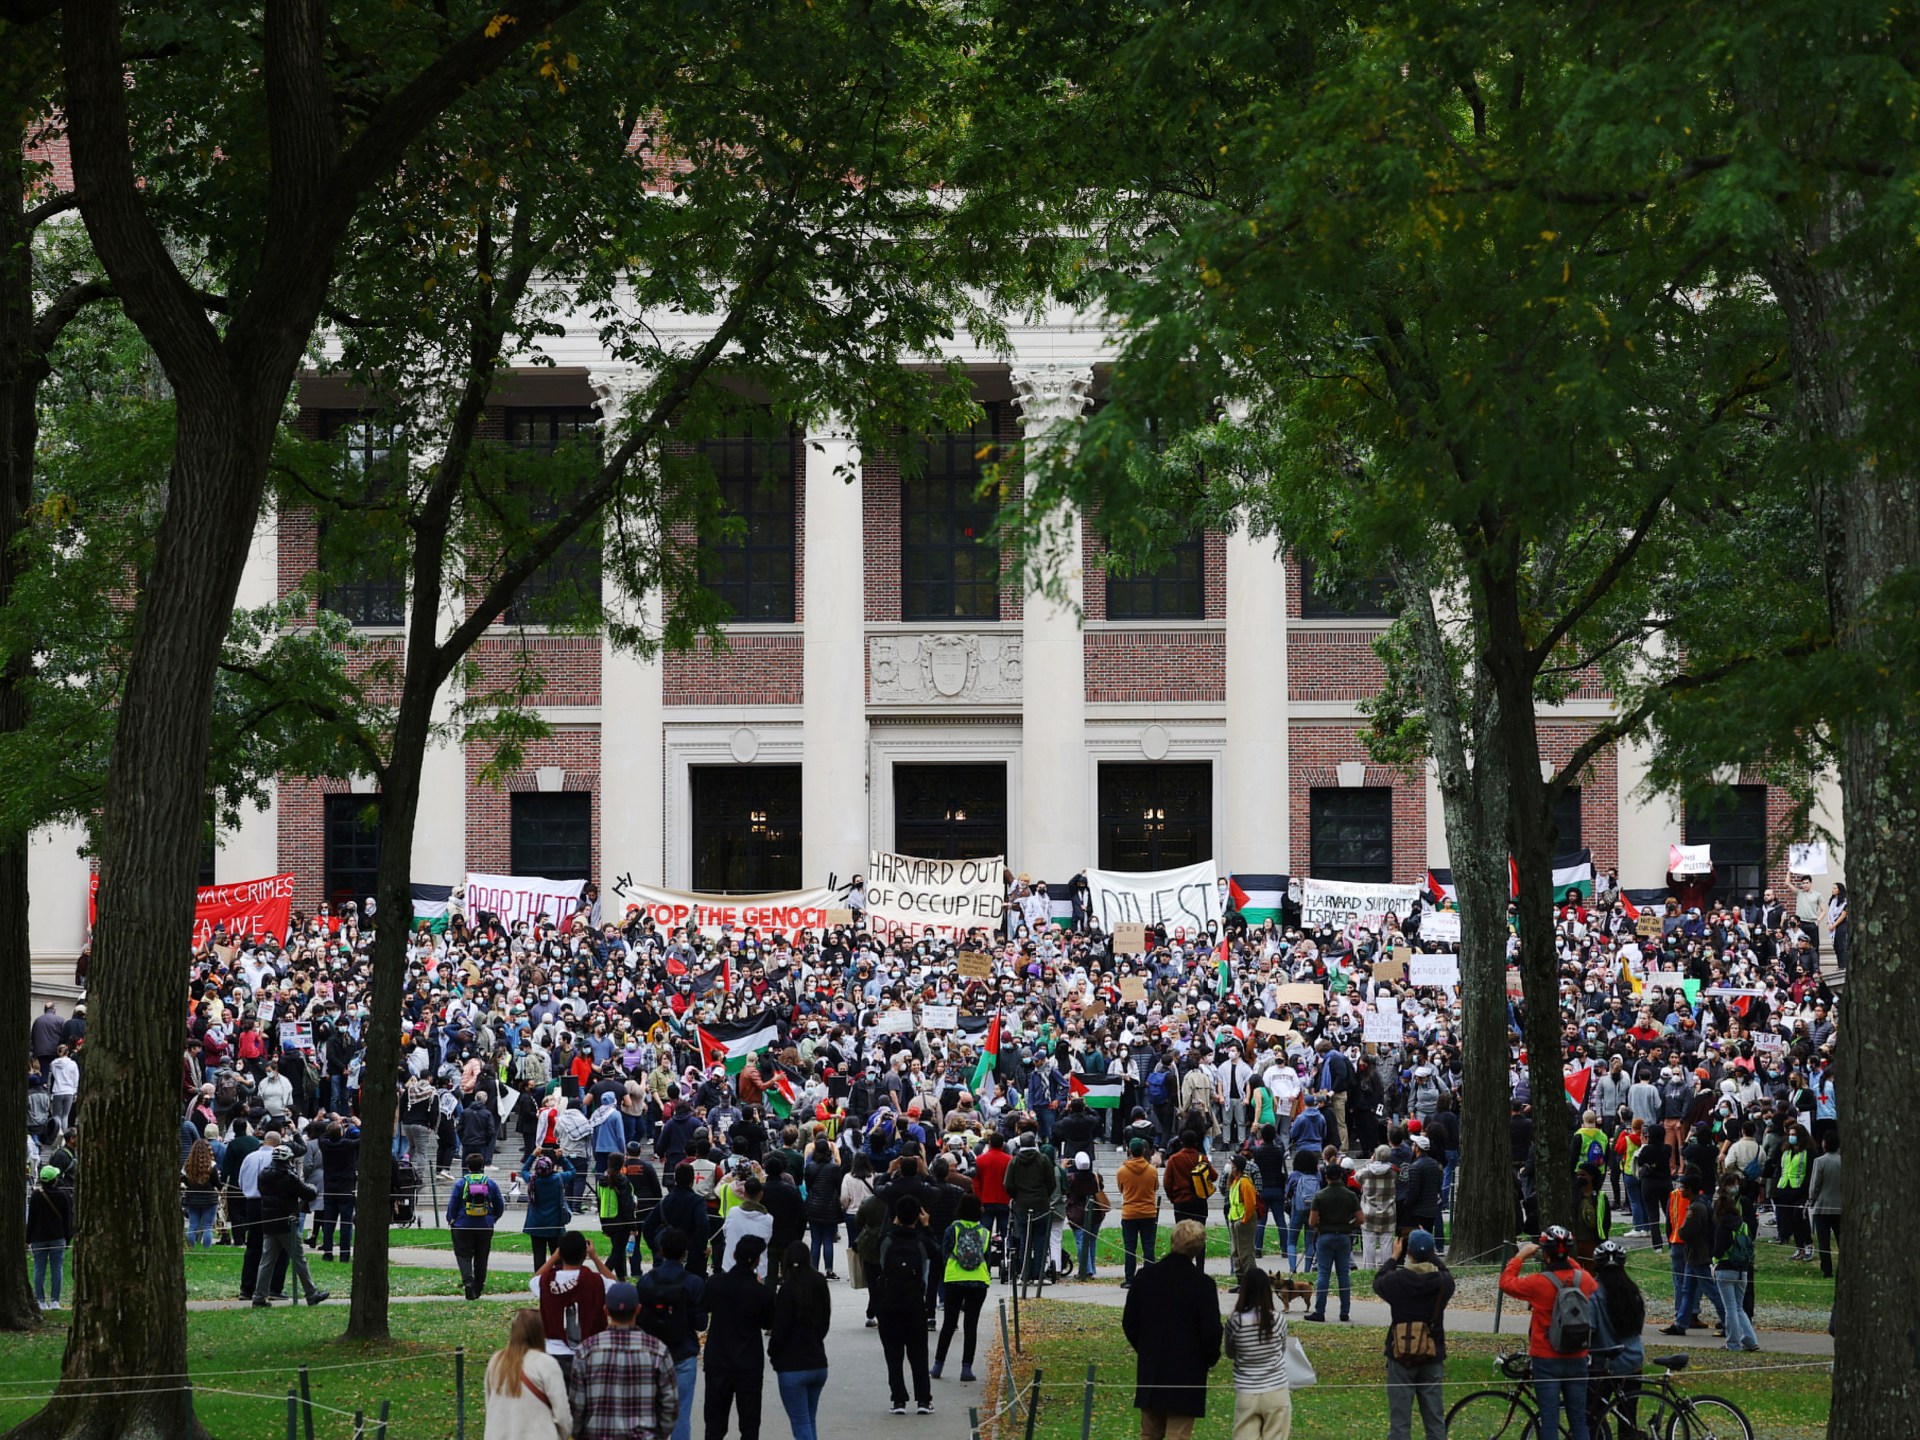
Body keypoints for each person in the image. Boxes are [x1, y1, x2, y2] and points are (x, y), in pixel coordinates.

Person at [1120, 1219, 1222, 1440]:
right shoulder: (1202, 1284)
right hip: (1187, 1372)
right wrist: (1207, 1359)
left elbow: (1130, 1322)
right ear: (1198, 1249)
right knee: (1178, 1435)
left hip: (1152, 1368)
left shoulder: (1145, 1277)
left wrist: (1145, 1348)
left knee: (1149, 1433)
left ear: (1172, 1241)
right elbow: (1212, 1331)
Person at [1498, 1227, 1599, 1440]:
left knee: (1549, 1420)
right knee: (1578, 1420)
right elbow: (1585, 1278)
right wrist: (1565, 1257)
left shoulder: (1538, 1282)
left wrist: (1520, 1257)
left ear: (1545, 1253)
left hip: (1546, 1357)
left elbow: (1506, 1283)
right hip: (1577, 1356)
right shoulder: (1584, 1280)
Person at [569, 1281, 682, 1440]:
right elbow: (670, 1403)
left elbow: (577, 1405)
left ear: (606, 1310)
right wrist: (660, 1433)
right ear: (638, 1309)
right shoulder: (657, 1351)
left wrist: (577, 1432)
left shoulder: (586, 1351)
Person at [1373, 1230, 1453, 1440]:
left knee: (1399, 1424)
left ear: (1408, 1252)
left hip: (1400, 1353)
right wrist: (1432, 1255)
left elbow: (1378, 1281)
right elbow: (1447, 1273)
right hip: (1432, 1352)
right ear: (1431, 1254)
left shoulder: (1396, 1280)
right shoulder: (1442, 1283)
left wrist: (1393, 1257)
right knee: (1435, 1420)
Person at [635, 1226, 709, 1440]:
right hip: (683, 1352)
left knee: (649, 1413)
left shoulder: (646, 1281)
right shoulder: (694, 1283)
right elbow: (701, 1323)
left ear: (660, 1251)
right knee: (681, 1414)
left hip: (651, 1354)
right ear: (684, 1252)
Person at [703, 1233, 773, 1440]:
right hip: (748, 1362)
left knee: (714, 1425)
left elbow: (703, 1307)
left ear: (734, 1255)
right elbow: (769, 1322)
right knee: (749, 1425)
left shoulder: (715, 1284)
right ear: (757, 1261)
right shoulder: (761, 1293)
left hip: (718, 1360)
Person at [874, 1195, 936, 1415]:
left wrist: (893, 1224)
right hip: (915, 1303)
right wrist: (926, 1227)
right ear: (918, 1217)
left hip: (889, 1303)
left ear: (897, 1217)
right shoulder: (921, 1242)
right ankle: (923, 1400)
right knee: (918, 1354)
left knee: (893, 1355)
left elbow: (878, 1255)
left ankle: (898, 1400)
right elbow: (936, 1254)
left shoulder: (887, 1241)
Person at [769, 1241, 831, 1440]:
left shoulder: (787, 1290)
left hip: (792, 1365)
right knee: (809, 1419)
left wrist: (773, 1353)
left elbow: (780, 1329)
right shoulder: (819, 1283)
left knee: (801, 1422)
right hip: (817, 1361)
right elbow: (825, 1321)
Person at [254, 1145, 329, 1308]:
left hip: (269, 1221)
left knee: (266, 1261)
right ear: (287, 1159)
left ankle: (259, 1296)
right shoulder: (288, 1177)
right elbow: (308, 1193)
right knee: (299, 1259)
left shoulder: (263, 1175)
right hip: (287, 1222)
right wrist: (313, 1187)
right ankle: (311, 1294)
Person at [532, 1230, 613, 1381]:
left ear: (561, 1254)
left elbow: (534, 1280)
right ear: (584, 1254)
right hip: (589, 1352)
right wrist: (595, 1257)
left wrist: (554, 1257)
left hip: (554, 1352)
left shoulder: (546, 1281)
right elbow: (615, 1284)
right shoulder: (595, 1281)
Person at [484, 1308, 574, 1440]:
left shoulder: (496, 1361)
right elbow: (562, 1414)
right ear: (540, 1332)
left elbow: (490, 1404)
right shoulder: (546, 1363)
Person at [1224, 1265, 1291, 1439]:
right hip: (1276, 1390)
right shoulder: (1277, 1319)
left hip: (1247, 1391)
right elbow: (1282, 1349)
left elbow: (1230, 1352)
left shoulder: (1235, 1321)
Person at [1588, 1241, 1645, 1439]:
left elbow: (1590, 1329)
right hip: (1633, 1360)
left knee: (1592, 1416)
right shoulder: (1632, 1291)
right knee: (1628, 1418)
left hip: (1605, 1363)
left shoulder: (1594, 1294)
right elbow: (1639, 1325)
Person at [932, 1193, 991, 1381]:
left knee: (949, 1323)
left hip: (954, 1279)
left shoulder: (953, 1229)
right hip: (978, 1280)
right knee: (971, 1325)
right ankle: (966, 1368)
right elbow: (986, 1258)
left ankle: (938, 1365)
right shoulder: (984, 1232)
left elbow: (945, 1253)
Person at [1710, 1178, 1761, 1352]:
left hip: (1725, 1268)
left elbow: (1718, 1250)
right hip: (1742, 1268)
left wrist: (1713, 1258)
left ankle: (1732, 1343)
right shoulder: (1742, 1225)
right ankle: (1750, 1340)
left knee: (1730, 1308)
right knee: (1739, 1308)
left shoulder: (1722, 1225)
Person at [1306, 1161, 1359, 1323]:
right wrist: (1348, 1226)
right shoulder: (1350, 1195)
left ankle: (1320, 1311)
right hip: (1343, 1236)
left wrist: (1320, 1226)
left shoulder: (1320, 1196)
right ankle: (1344, 1312)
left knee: (1323, 1274)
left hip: (1326, 1236)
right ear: (1341, 1176)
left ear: (1326, 1177)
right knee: (1344, 1274)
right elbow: (1360, 1219)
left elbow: (1312, 1221)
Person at [449, 1150, 506, 1301]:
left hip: (463, 1225)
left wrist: (451, 1220)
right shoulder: (490, 1183)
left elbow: (453, 1204)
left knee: (463, 1255)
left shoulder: (461, 1183)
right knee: (482, 1257)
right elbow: (500, 1204)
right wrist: (493, 1218)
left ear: (467, 1166)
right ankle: (478, 1287)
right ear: (483, 1166)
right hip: (484, 1225)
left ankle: (468, 1282)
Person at [1116, 1137, 1160, 1287]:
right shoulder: (1152, 1170)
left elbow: (1121, 1189)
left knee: (1130, 1248)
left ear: (1129, 1151)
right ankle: (1149, 1279)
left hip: (1129, 1212)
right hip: (1148, 1212)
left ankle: (1130, 1279)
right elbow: (1155, 1187)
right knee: (1148, 1246)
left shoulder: (1122, 1170)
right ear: (1143, 1151)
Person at [524, 1150, 577, 1271]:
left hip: (536, 1224)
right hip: (555, 1223)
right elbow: (572, 1171)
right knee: (557, 1256)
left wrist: (533, 1155)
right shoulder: (558, 1178)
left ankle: (540, 1279)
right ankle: (559, 1278)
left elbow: (524, 1170)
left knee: (538, 1256)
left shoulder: (533, 1180)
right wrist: (562, 1157)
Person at [27, 1165, 72, 1310]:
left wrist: (28, 1239)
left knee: (39, 1269)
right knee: (56, 1268)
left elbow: (31, 1219)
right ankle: (55, 1301)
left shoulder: (36, 1196)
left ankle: (40, 1301)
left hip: (38, 1237)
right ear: (55, 1180)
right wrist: (68, 1238)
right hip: (58, 1236)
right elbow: (67, 1219)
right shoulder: (63, 1195)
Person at [1807, 1132, 1841, 1278]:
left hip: (1822, 1206)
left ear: (1824, 1143)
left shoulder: (1820, 1161)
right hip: (1840, 1206)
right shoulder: (1844, 1161)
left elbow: (1815, 1184)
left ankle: (1827, 1269)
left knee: (1823, 1241)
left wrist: (1811, 1200)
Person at [1224, 1152, 1260, 1285]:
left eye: (1231, 1164)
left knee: (1246, 1253)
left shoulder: (1244, 1182)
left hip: (1243, 1221)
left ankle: (1251, 1282)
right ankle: (1241, 1282)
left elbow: (1250, 1205)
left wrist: (1243, 1220)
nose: (1228, 1166)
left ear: (1237, 1167)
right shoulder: (1234, 1181)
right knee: (1235, 1252)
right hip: (1234, 1220)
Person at [182, 1139, 221, 1249]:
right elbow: (216, 1182)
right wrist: (221, 1188)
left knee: (193, 1226)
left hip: (192, 1199)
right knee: (208, 1226)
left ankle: (191, 1248)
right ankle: (207, 1249)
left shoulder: (187, 1165)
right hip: (209, 1199)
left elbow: (184, 1180)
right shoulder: (211, 1165)